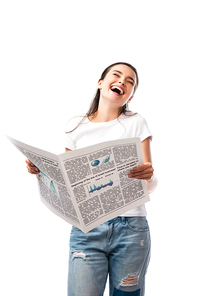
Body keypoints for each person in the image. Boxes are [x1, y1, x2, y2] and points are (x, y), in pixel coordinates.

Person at [26, 62, 157, 296]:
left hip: (131, 228)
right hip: (87, 229)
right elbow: (69, 183)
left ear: (131, 95)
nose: (122, 82)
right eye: (117, 76)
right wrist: (42, 171)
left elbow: (149, 183)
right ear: (100, 83)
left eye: (130, 82)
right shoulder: (76, 126)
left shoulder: (136, 122)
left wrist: (149, 175)